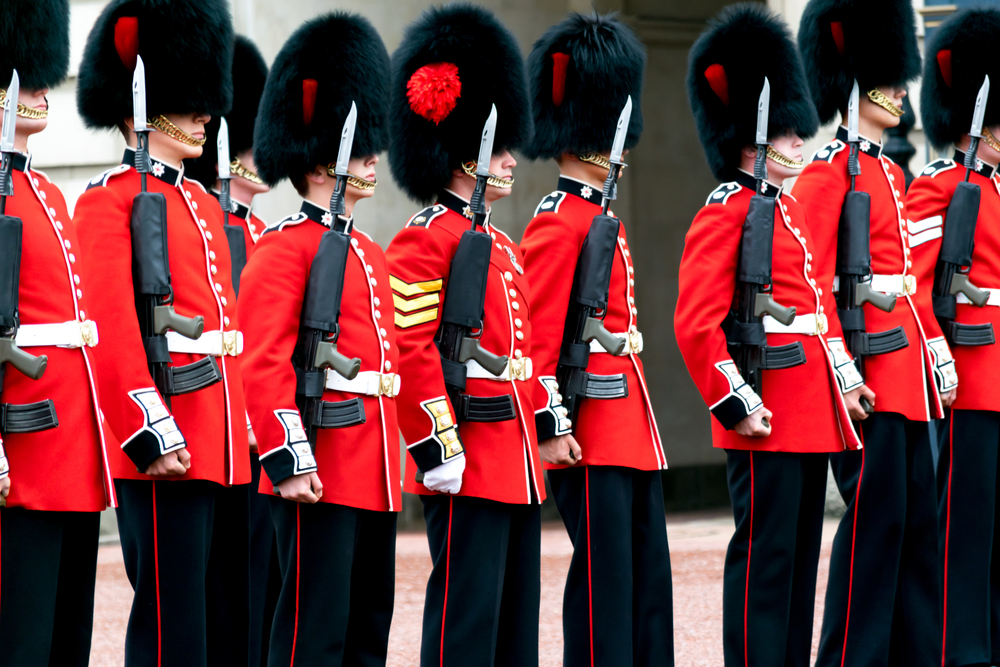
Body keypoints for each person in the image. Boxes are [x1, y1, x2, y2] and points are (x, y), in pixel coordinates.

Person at [678, 5, 874, 665]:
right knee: (766, 559)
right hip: (763, 410)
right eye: (787, 132)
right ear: (752, 137)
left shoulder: (783, 212)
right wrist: (738, 400)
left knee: (797, 561)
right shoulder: (725, 212)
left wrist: (844, 383)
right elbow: (697, 322)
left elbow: (815, 310)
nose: (799, 140)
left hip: (808, 410)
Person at [73, 1, 250, 665]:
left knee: (225, 623)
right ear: (144, 104)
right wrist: (149, 428)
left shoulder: (203, 203)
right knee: (173, 632)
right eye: (192, 100)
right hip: (169, 441)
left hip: (224, 440)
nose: (207, 113)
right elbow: (111, 330)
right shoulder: (106, 199)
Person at [238, 12, 399, 666]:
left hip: (374, 464)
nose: (372, 160)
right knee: (313, 633)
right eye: (360, 150)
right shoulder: (283, 248)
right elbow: (264, 362)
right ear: (322, 157)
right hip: (322, 463)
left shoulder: (371, 253)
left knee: (366, 632)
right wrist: (290, 456)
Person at [793, 0, 950, 664]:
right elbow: (809, 283)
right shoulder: (828, 174)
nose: (896, 90)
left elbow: (910, 282)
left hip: (912, 381)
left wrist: (937, 351)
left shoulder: (893, 173)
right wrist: (845, 374)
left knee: (920, 531)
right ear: (852, 83)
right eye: (882, 77)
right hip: (871, 384)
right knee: (874, 533)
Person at [385, 5, 542, 666]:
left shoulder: (500, 245)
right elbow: (413, 349)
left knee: (514, 634)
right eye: (497, 148)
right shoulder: (425, 240)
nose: (510, 160)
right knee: (465, 630)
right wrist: (436, 445)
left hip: (515, 457)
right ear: (459, 154)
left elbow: (522, 355)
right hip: (469, 458)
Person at [519, 12, 673, 666]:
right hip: (591, 433)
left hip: (628, 429)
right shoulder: (558, 224)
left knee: (646, 592)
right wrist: (553, 423)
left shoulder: (596, 216)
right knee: (604, 596)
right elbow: (540, 335)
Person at [0, 2, 117, 664]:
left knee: (64, 638)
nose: (42, 86)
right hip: (21, 453)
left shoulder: (47, 192)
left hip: (71, 447)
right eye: (27, 74)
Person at [907, 8, 1000, 666]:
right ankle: (958, 651)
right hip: (968, 384)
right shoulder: (939, 187)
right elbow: (914, 287)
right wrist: (941, 357)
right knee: (965, 533)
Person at [184, 34, 276, 667]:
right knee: (219, 599)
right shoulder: (210, 226)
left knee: (259, 596)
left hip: (261, 442)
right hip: (216, 436)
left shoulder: (261, 232)